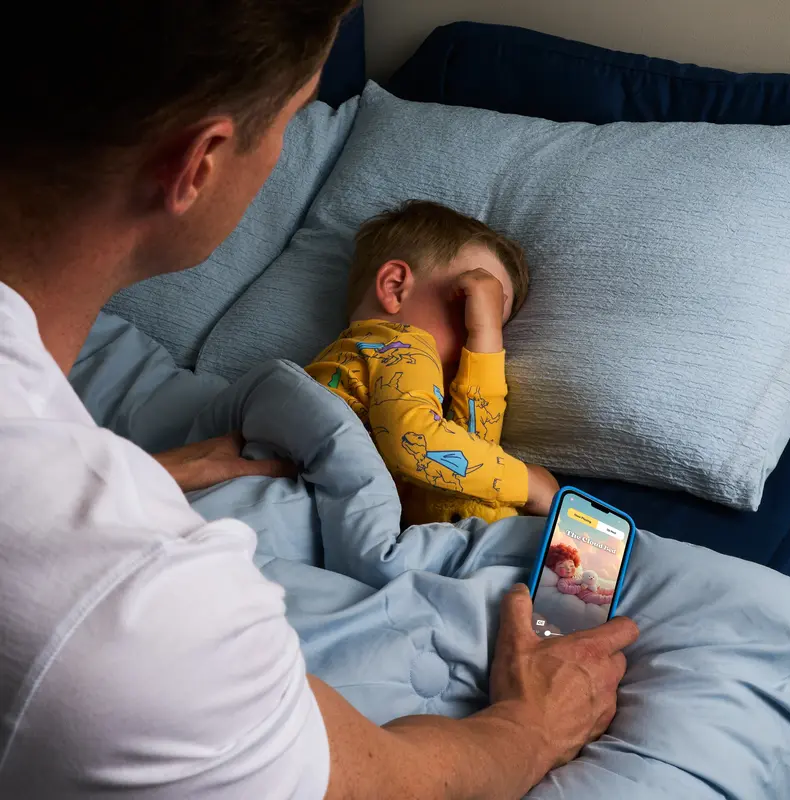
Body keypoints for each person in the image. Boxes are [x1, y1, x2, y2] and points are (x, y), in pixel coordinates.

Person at [0, 3, 639, 799]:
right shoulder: (394, 348)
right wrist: (529, 727)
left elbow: (457, 443)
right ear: (200, 162)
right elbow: (421, 449)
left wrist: (481, 340)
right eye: (292, 122)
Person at [307, 201, 560, 526]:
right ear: (395, 287)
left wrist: (484, 342)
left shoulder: (368, 371)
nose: (473, 340)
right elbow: (416, 444)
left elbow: (466, 470)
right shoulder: (398, 344)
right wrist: (528, 484)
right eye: (469, 308)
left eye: (494, 327)